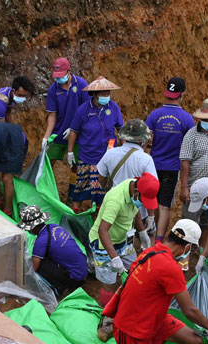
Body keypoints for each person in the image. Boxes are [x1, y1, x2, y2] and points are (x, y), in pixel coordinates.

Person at [88, 172, 160, 307]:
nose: (143, 204)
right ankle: (107, 312)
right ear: (136, 191)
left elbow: (135, 209)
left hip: (124, 239)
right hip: (103, 243)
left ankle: (125, 302)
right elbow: (102, 230)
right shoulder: (115, 200)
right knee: (109, 283)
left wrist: (142, 232)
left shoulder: (135, 186)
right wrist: (114, 258)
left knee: (133, 270)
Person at [145, 77, 195, 241]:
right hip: (172, 168)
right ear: (182, 95)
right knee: (164, 205)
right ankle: (158, 240)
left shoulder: (155, 115)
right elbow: (190, 148)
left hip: (153, 166)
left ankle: (150, 232)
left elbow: (146, 141)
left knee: (152, 200)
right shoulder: (187, 119)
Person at [66, 76, 125, 211]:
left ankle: (99, 220)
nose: (106, 96)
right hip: (86, 156)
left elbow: (120, 130)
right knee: (79, 191)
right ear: (94, 94)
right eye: (103, 93)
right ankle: (77, 216)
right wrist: (70, 152)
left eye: (108, 93)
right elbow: (74, 131)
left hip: (107, 158)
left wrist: (123, 150)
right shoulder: (83, 110)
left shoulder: (114, 108)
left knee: (103, 194)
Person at [97, 119, 158, 247]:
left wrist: (109, 192)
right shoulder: (146, 160)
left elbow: (101, 178)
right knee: (149, 236)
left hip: (115, 206)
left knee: (115, 238)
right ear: (143, 141)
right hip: (139, 209)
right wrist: (151, 217)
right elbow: (151, 189)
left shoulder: (110, 153)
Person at [19, 205, 87, 297]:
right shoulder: (54, 227)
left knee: (39, 265)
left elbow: (33, 269)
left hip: (74, 278)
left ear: (32, 228)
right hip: (82, 270)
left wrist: (23, 281)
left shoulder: (41, 241)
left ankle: (60, 287)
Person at [41, 58, 90, 167]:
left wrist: (74, 128)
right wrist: (46, 137)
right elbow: (52, 115)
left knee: (76, 165)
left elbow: (87, 111)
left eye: (61, 75)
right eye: (56, 76)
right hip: (59, 132)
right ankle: (47, 184)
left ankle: (73, 185)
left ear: (69, 71)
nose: (59, 78)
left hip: (78, 134)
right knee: (48, 163)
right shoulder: (53, 89)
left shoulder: (81, 84)